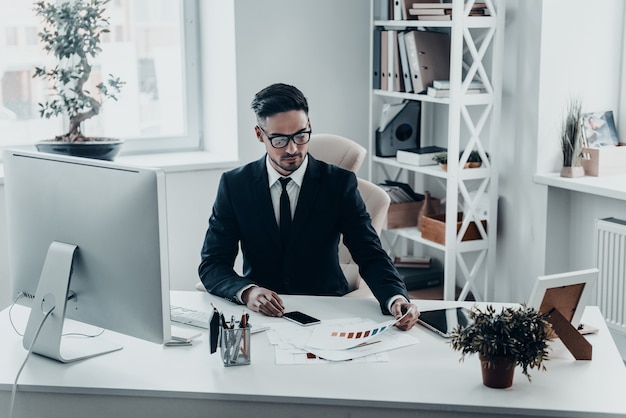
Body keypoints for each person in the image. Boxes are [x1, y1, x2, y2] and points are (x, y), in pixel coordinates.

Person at [199, 83, 419, 331]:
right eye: (279, 140)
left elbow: (369, 252)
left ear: (309, 126)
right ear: (260, 135)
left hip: (326, 309)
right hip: (263, 316)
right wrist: (247, 291)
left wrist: (395, 297)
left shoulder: (338, 183)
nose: (293, 149)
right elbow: (213, 264)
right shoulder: (234, 185)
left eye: (301, 136)